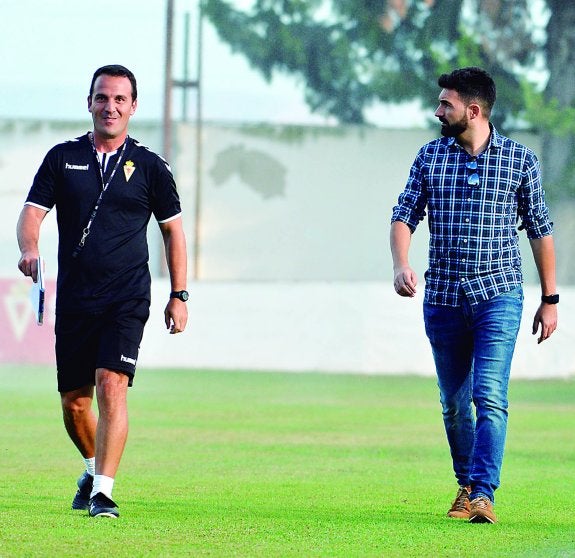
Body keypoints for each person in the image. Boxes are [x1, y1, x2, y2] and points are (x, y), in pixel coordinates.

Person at [16, 64, 189, 518]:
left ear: (133, 107)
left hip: (126, 297)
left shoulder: (152, 166)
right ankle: (93, 470)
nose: (110, 107)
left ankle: (103, 493)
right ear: (89, 102)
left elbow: (173, 232)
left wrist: (180, 294)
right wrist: (29, 249)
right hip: (76, 298)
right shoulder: (61, 158)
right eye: (102, 98)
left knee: (111, 384)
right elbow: (31, 214)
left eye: (119, 100)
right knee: (75, 405)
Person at [390, 67, 557, 524]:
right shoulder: (429, 158)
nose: (438, 110)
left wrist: (550, 298)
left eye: (446, 103)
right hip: (442, 297)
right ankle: (465, 484)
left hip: (498, 295)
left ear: (474, 110)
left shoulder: (520, 161)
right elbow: (404, 215)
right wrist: (401, 264)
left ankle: (483, 493)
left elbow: (540, 231)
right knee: (453, 402)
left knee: (489, 393)